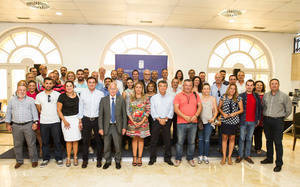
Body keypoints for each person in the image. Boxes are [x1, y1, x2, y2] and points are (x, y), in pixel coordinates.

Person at [5, 81, 39, 169]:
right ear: (17, 90)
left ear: (26, 90)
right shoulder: (12, 100)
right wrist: (8, 124)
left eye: (24, 90)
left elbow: (34, 112)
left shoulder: (30, 100)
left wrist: (35, 122)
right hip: (15, 125)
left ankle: (34, 160)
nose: (22, 92)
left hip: (28, 125)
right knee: (17, 144)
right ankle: (19, 161)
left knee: (31, 144)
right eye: (20, 90)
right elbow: (8, 112)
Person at [261, 78, 292, 172]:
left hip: (278, 121)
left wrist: (281, 117)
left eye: (276, 84)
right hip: (267, 120)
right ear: (270, 85)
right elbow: (263, 107)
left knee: (278, 142)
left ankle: (279, 163)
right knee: (268, 140)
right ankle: (269, 158)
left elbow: (289, 110)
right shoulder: (266, 95)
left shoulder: (284, 96)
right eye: (272, 84)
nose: (274, 85)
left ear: (278, 85)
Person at [35, 77, 63, 167]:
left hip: (55, 121)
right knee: (45, 142)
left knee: (57, 141)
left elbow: (60, 108)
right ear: (43, 84)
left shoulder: (58, 94)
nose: (48, 85)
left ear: (53, 84)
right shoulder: (39, 95)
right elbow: (39, 109)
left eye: (50, 83)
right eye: (46, 83)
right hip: (44, 122)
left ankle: (58, 158)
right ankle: (45, 158)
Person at [173, 79, 202, 167]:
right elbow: (176, 109)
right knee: (180, 142)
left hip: (193, 122)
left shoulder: (196, 95)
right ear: (183, 86)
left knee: (192, 142)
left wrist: (195, 116)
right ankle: (178, 158)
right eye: (186, 85)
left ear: (192, 86)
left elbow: (200, 107)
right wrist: (184, 116)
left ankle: (190, 158)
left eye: (190, 85)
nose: (188, 87)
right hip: (181, 122)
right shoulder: (178, 96)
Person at [98, 82, 127, 170]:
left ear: (117, 90)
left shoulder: (121, 99)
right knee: (106, 145)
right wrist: (100, 128)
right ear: (108, 89)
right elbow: (101, 116)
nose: (113, 90)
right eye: (111, 88)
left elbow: (124, 115)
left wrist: (124, 127)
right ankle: (107, 161)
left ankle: (118, 161)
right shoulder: (103, 100)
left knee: (117, 145)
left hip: (117, 126)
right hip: (107, 126)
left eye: (114, 88)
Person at [78, 77, 105, 169]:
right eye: (90, 82)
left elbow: (102, 109)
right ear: (87, 83)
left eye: (93, 82)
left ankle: (99, 160)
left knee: (99, 141)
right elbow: (80, 107)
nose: (92, 84)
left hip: (97, 119)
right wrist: (80, 120)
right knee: (85, 141)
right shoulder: (83, 93)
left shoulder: (100, 94)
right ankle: (85, 160)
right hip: (86, 119)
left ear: (96, 83)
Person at [236, 80, 262, 164]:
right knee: (242, 138)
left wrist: (258, 119)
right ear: (245, 86)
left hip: (253, 121)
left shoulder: (256, 96)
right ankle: (240, 155)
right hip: (243, 121)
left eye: (251, 85)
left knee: (249, 139)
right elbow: (238, 109)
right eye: (248, 85)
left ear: (253, 86)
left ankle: (247, 156)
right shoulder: (241, 96)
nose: (249, 87)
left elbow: (259, 108)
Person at [149, 80, 174, 166]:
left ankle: (167, 158)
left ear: (167, 87)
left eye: (164, 86)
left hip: (167, 121)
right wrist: (159, 119)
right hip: (156, 120)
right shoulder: (154, 98)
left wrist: (166, 119)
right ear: (158, 87)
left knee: (167, 141)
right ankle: (152, 158)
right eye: (160, 86)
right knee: (153, 141)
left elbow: (172, 110)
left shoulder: (171, 98)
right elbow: (152, 110)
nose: (162, 87)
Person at [126, 81, 151, 166]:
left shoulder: (146, 97)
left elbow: (148, 110)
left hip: (143, 123)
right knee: (134, 139)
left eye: (140, 87)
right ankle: (134, 157)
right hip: (132, 123)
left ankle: (139, 158)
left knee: (141, 139)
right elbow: (128, 111)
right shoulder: (130, 97)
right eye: (136, 87)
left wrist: (141, 122)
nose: (138, 89)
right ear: (134, 88)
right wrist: (134, 122)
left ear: (142, 88)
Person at [57, 81, 81, 167]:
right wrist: (64, 121)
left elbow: (80, 109)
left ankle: (75, 157)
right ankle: (68, 158)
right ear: (65, 87)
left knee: (76, 139)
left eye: (70, 86)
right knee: (68, 140)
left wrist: (80, 121)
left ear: (73, 86)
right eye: (67, 86)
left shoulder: (77, 95)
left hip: (76, 119)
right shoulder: (62, 96)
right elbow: (59, 110)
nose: (69, 87)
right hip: (66, 119)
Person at [218, 84, 243, 165]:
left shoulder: (238, 98)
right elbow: (219, 108)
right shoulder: (223, 97)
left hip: (234, 121)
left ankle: (229, 157)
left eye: (234, 89)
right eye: (231, 88)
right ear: (228, 89)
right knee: (224, 138)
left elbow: (241, 110)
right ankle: (224, 157)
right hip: (225, 121)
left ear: (235, 90)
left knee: (232, 139)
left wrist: (235, 113)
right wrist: (223, 113)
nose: (232, 90)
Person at [197, 83, 218, 164]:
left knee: (207, 140)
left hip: (209, 122)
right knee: (200, 139)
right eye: (204, 88)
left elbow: (216, 111)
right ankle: (200, 155)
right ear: (202, 90)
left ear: (210, 90)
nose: (206, 90)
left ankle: (205, 156)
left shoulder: (213, 98)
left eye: (207, 88)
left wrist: (213, 118)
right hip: (201, 122)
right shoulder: (199, 98)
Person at [27, 80, 42, 157]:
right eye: (30, 85)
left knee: (38, 133)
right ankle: (32, 151)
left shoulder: (38, 95)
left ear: (35, 86)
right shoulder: (25, 94)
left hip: (37, 116)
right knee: (30, 135)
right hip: (28, 117)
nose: (32, 87)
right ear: (28, 87)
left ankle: (41, 149)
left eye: (33, 85)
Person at [253, 80, 266, 154]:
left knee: (259, 133)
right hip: (252, 116)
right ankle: (250, 147)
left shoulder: (265, 95)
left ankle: (258, 148)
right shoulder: (252, 94)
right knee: (250, 134)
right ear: (255, 86)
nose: (259, 86)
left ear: (263, 87)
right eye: (257, 85)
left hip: (261, 116)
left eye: (261, 85)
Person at [168, 78, 181, 144]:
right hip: (169, 111)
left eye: (176, 82)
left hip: (178, 112)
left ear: (178, 84)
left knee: (176, 127)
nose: (175, 84)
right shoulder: (168, 91)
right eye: (174, 82)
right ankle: (168, 141)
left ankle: (175, 141)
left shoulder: (180, 91)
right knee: (168, 127)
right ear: (171, 83)